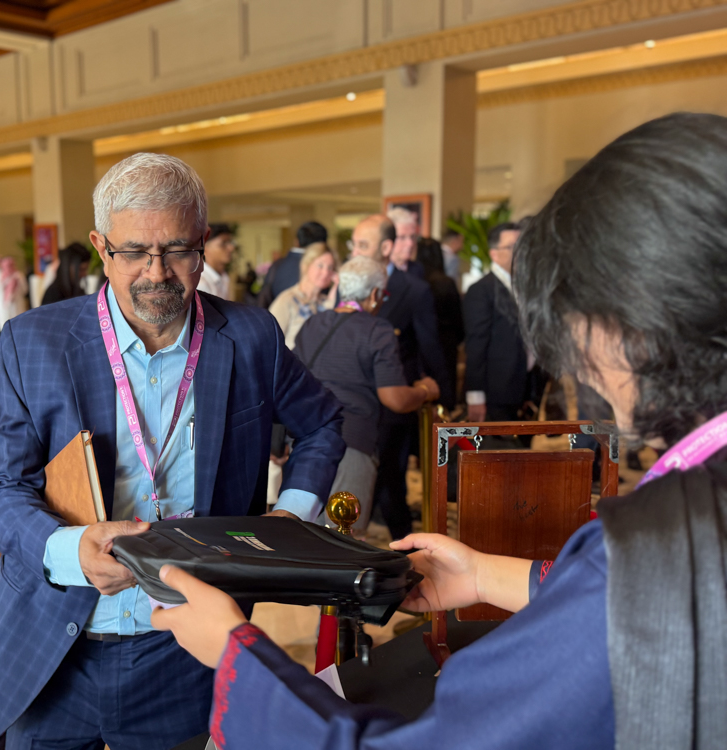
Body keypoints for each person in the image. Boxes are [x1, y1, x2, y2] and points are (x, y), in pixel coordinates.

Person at [149, 111, 727, 750]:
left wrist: (236, 655)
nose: (579, 364)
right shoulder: (678, 532)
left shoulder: (664, 545)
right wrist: (483, 576)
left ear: (632, 324)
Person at [0, 152, 345, 749]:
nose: (157, 272)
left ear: (203, 244)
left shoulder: (251, 337)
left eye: (177, 250)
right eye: (135, 251)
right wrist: (70, 551)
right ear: (100, 247)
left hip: (184, 648)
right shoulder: (33, 341)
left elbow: (322, 424)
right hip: (55, 648)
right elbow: (1, 488)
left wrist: (289, 517)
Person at [294, 256, 439, 536]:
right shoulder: (377, 330)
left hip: (305, 439)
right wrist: (425, 391)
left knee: (304, 532)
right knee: (342, 537)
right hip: (351, 441)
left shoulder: (312, 324)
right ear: (374, 295)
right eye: (383, 295)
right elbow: (394, 398)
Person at [350, 213, 449, 539]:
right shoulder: (348, 284)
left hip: (394, 404)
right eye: (354, 244)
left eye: (363, 245)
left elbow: (430, 346)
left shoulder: (414, 290)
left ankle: (406, 546)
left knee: (392, 480)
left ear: (386, 248)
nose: (355, 252)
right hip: (353, 400)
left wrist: (442, 395)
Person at [464, 221, 538, 423]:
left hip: (524, 387)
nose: (520, 252)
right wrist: (475, 395)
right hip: (497, 391)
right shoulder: (481, 290)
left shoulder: (524, 286)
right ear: (494, 254)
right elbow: (476, 345)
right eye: (512, 247)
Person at [416, 237, 464, 410]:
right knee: (444, 391)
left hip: (419, 345)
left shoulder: (413, 282)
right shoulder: (446, 282)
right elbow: (458, 319)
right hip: (446, 343)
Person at [268, 243, 337, 348]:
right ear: (306, 265)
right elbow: (268, 341)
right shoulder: (287, 300)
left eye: (330, 267)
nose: (326, 272)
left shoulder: (325, 301)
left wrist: (337, 287)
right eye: (320, 266)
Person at [257, 220, 328, 307]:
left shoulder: (277, 265)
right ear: (323, 245)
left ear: (296, 241)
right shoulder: (324, 270)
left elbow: (264, 299)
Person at [41, 242, 91, 306]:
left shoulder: (78, 292)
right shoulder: (52, 295)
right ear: (67, 266)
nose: (84, 274)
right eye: (81, 269)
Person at [196, 223, 235, 299]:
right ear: (205, 248)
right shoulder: (201, 283)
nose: (231, 248)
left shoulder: (224, 276)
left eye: (230, 242)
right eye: (223, 244)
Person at [385, 207, 425, 280]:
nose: (410, 243)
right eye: (402, 237)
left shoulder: (418, 270)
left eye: (412, 237)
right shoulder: (377, 271)